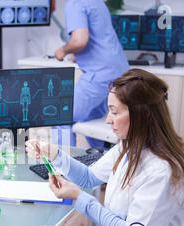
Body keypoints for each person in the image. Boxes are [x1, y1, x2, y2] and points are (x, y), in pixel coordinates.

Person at [25, 68, 184, 226]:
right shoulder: (130, 146)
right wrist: (54, 154)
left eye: (115, 112)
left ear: (142, 114)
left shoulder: (161, 170)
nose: (108, 119)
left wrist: (79, 197)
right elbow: (88, 177)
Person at [52, 0, 129, 148]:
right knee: (92, 119)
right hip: (118, 72)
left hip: (99, 74)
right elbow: (99, 36)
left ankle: (62, 168)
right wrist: (77, 54)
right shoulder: (96, 2)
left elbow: (79, 40)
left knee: (60, 117)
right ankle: (104, 164)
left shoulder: (75, 4)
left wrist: (62, 51)